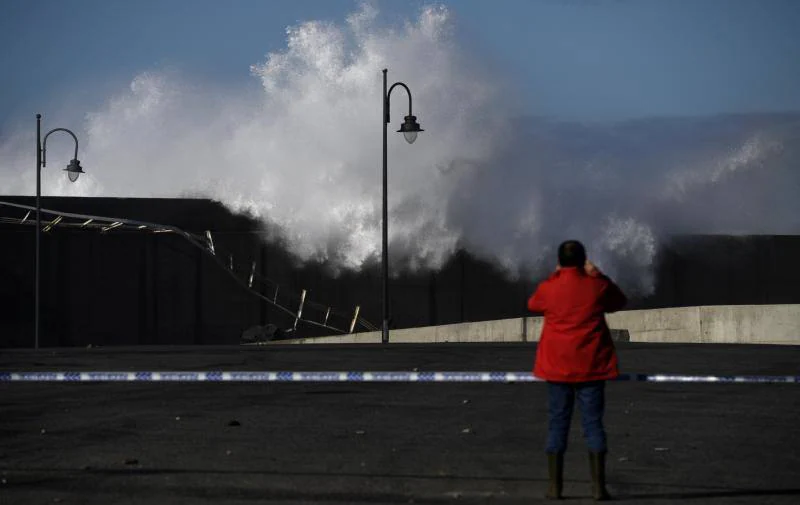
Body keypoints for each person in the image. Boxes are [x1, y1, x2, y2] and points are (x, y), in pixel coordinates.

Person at [527, 240, 626, 501]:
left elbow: (533, 304)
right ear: (584, 260)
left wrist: (556, 274)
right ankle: (597, 488)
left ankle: (555, 488)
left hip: (558, 367)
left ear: (560, 261)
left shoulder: (551, 287)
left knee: (557, 424)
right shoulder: (596, 286)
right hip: (591, 367)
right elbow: (619, 300)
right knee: (593, 425)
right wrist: (597, 273)